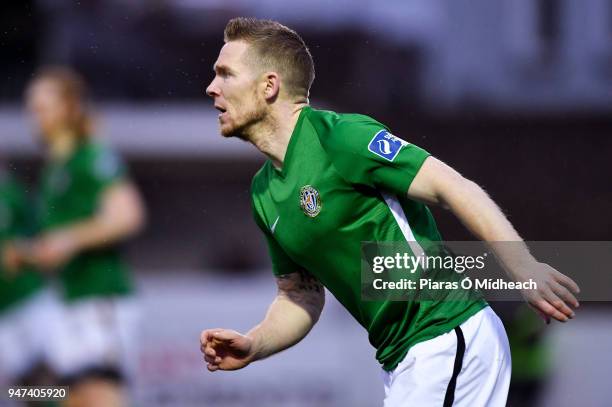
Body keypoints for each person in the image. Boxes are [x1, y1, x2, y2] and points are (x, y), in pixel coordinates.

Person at [199, 18, 580, 406]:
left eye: (225, 74)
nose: (212, 88)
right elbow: (300, 296)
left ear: (269, 85)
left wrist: (523, 267)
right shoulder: (263, 193)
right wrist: (255, 344)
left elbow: (454, 187)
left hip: (443, 334)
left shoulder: (339, 137)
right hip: (404, 357)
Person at [20, 66, 146, 407]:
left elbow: (127, 215)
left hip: (99, 300)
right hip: (66, 303)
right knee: (48, 395)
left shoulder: (91, 156)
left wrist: (68, 240)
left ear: (70, 106)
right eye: (32, 108)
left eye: (43, 107)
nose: (35, 116)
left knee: (100, 396)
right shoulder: (54, 169)